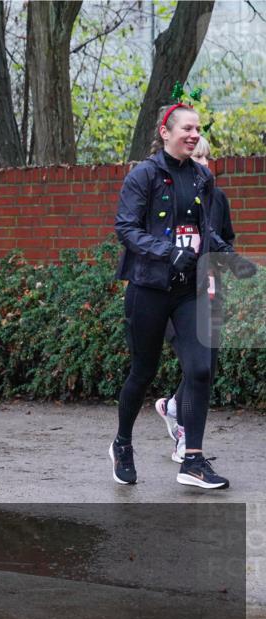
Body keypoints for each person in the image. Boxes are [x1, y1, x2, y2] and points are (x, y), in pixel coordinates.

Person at [111, 102, 256, 491]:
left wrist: (229, 257)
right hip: (148, 288)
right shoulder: (143, 175)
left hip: (189, 289)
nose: (194, 135)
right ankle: (122, 444)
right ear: (165, 132)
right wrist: (166, 251)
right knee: (143, 372)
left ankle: (192, 460)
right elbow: (126, 227)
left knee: (200, 369)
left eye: (197, 129)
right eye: (186, 129)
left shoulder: (202, 177)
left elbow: (204, 229)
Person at [153, 137, 257, 462]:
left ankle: (172, 406)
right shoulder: (167, 197)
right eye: (196, 157)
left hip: (211, 292)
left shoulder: (218, 198)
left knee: (205, 370)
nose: (203, 164)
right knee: (195, 366)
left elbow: (224, 240)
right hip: (176, 296)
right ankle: (185, 442)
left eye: (207, 158)